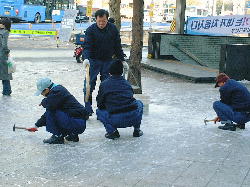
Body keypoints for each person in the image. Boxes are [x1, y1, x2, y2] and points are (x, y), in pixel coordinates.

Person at [83, 9, 126, 116]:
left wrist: (122, 59)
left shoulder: (113, 29)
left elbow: (117, 46)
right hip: (93, 60)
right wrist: (86, 58)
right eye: (99, 21)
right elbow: (87, 46)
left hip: (107, 61)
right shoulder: (90, 30)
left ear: (107, 20)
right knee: (88, 85)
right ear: (96, 20)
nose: (101, 23)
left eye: (104, 21)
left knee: (106, 85)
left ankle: (103, 108)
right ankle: (88, 108)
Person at [96, 60, 143, 139]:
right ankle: (137, 130)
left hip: (116, 119)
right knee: (139, 103)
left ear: (109, 71)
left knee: (99, 112)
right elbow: (131, 97)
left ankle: (112, 132)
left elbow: (99, 103)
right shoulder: (127, 83)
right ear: (122, 72)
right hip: (133, 117)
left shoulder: (104, 84)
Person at [34, 78, 89, 144]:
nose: (41, 95)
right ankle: (72, 134)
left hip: (77, 123)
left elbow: (48, 107)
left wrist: (43, 102)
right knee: (60, 111)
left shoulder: (56, 92)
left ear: (47, 90)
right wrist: (36, 125)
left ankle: (57, 136)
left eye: (41, 92)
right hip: (79, 122)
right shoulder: (58, 89)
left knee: (51, 112)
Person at [0, 18, 12, 96]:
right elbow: (4, 45)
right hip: (2, 55)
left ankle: (7, 90)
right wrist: (8, 52)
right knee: (5, 74)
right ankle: (7, 90)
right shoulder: (5, 32)